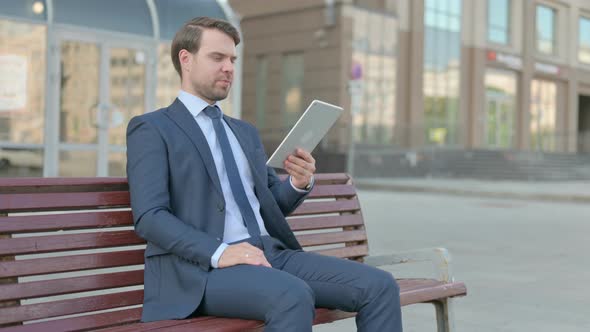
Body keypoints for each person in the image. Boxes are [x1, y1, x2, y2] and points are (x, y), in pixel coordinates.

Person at [126, 16, 402, 332]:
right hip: (201, 272)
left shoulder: (244, 132)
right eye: (217, 58)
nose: (228, 67)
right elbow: (150, 216)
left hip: (270, 254)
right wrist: (221, 253)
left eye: (232, 59)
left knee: (380, 286)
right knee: (292, 295)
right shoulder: (152, 128)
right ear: (185, 60)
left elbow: (271, 204)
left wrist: (298, 183)